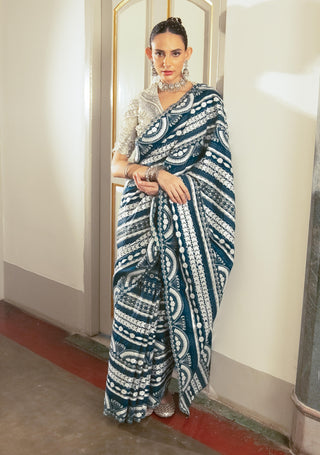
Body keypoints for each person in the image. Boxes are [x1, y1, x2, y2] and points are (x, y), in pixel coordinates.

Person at [104, 17, 235, 424]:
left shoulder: (207, 103)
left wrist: (176, 183)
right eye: (159, 53)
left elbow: (217, 171)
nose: (167, 61)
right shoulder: (140, 104)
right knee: (132, 300)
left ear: (188, 54)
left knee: (167, 305)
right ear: (149, 54)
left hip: (183, 221)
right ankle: (126, 395)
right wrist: (153, 173)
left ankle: (159, 390)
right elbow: (117, 164)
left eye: (174, 53)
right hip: (139, 218)